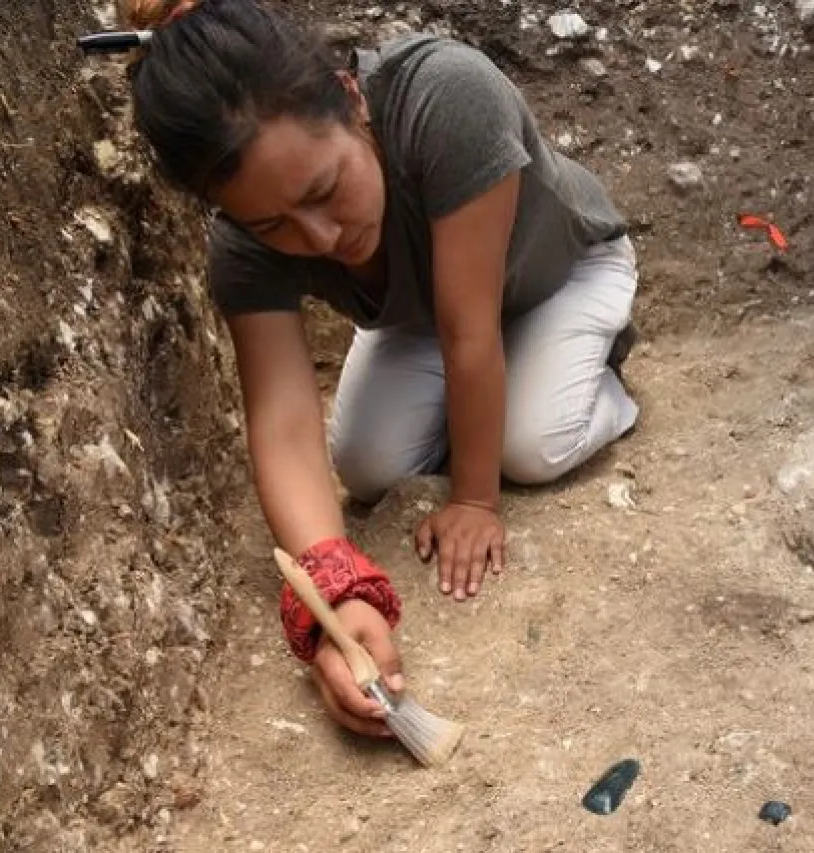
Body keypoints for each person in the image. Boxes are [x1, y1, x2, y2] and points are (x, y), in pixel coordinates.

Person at [117, 0, 641, 736]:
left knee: (529, 447)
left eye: (324, 190)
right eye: (273, 226)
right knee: (365, 465)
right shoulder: (240, 245)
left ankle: (604, 379)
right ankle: (497, 403)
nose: (322, 237)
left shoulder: (446, 95)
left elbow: (470, 328)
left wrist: (475, 501)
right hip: (429, 315)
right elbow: (284, 421)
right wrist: (335, 594)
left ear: (352, 97)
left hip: (560, 274)